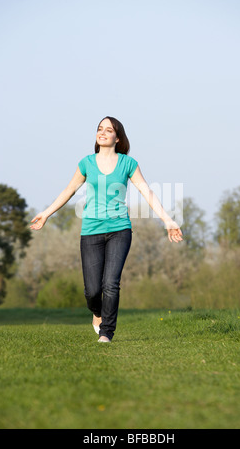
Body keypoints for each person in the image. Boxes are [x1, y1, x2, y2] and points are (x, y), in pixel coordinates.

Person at [30, 116, 183, 343]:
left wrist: (167, 220)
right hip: (91, 231)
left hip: (120, 229)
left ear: (117, 137)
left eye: (108, 130)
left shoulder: (128, 164)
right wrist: (46, 213)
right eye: (99, 129)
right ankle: (97, 313)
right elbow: (69, 190)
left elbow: (146, 192)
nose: (102, 132)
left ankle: (106, 332)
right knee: (92, 291)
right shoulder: (86, 163)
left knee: (111, 284)